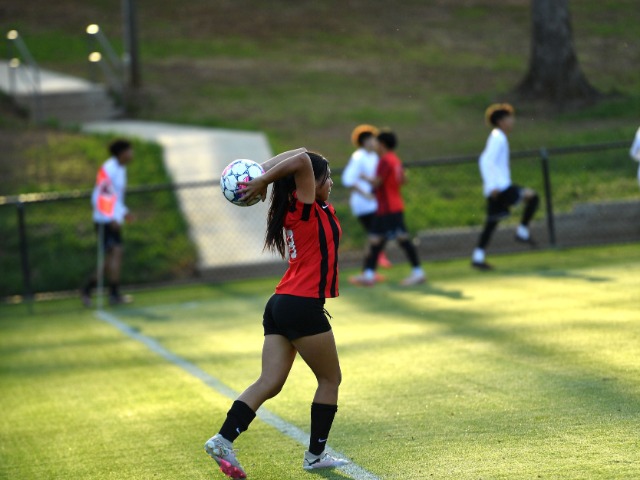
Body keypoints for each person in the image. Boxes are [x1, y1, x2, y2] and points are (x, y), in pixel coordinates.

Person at [203, 148, 349, 479]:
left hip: (281, 303)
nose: (330, 183)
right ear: (309, 183)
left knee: (269, 382)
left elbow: (300, 157)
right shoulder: (303, 207)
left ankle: (223, 440)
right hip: (301, 304)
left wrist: (259, 175)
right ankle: (315, 456)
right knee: (330, 380)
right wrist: (264, 179)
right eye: (327, 177)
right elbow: (302, 159)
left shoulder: (301, 207)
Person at [350, 131, 426, 286]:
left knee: (402, 239)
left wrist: (363, 176)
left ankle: (418, 273)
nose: (374, 145)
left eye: (376, 142)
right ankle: (369, 275)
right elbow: (403, 180)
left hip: (389, 208)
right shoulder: (395, 159)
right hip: (388, 207)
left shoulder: (384, 160)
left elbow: (377, 182)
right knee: (375, 240)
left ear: (382, 144)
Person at [471, 104, 539, 271]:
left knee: (491, 223)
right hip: (501, 188)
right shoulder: (498, 138)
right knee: (533, 197)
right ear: (501, 121)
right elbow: (485, 161)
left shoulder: (497, 136)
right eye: (510, 118)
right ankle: (522, 231)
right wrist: (492, 186)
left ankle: (478, 257)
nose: (512, 121)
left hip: (498, 187)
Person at [81, 139, 134, 306]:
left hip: (113, 219)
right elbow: (101, 196)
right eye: (129, 150)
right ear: (122, 153)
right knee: (116, 252)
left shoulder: (121, 168)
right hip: (104, 220)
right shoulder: (109, 168)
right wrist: (110, 218)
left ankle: (91, 290)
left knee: (113, 256)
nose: (132, 154)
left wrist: (124, 213)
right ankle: (111, 293)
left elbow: (116, 197)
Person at [341, 124, 392, 270]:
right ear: (365, 141)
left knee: (379, 235)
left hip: (374, 203)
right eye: (372, 139)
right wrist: (365, 194)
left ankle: (370, 268)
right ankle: (370, 267)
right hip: (363, 204)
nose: (375, 142)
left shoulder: (373, 157)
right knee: (377, 235)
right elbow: (347, 179)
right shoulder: (359, 157)